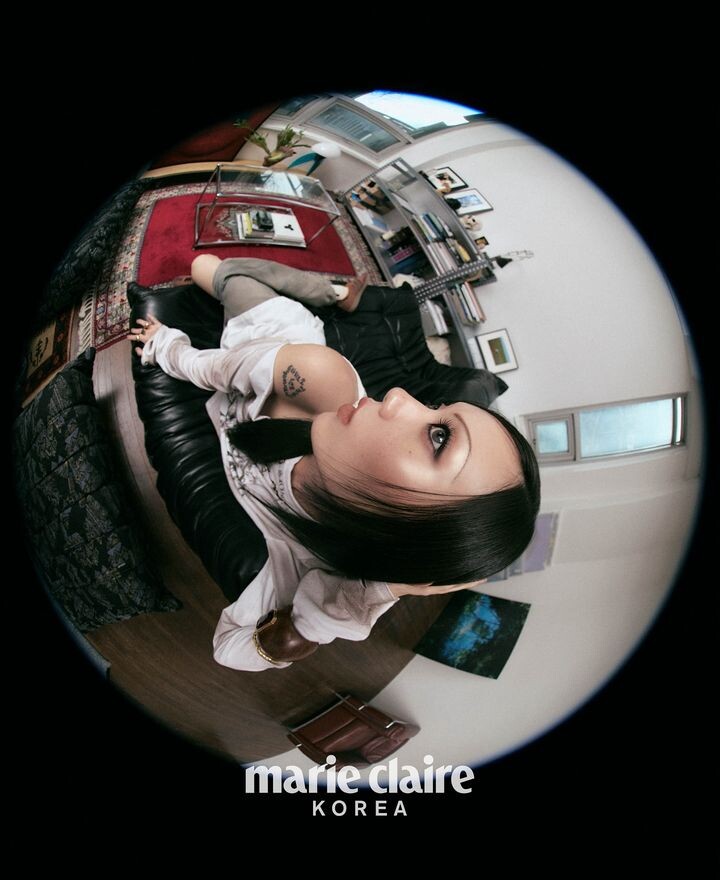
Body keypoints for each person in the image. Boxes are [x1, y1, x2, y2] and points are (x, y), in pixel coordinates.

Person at [129, 256, 540, 672]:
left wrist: (383, 591)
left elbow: (230, 649)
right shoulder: (318, 373)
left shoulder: (313, 561)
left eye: (438, 437)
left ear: (411, 533)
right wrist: (167, 346)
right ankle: (332, 293)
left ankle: (335, 293)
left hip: (278, 371)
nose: (398, 396)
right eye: (436, 407)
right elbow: (214, 368)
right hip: (279, 338)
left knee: (217, 269)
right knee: (212, 268)